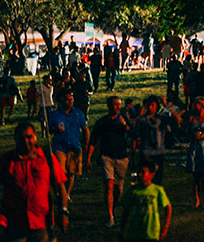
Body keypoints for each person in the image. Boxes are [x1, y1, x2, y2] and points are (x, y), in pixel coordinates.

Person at [0, 122, 68, 242]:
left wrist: (63, 212)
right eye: (21, 138)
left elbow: (60, 186)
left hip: (42, 223)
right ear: (15, 139)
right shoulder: (7, 160)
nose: (26, 141)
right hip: (13, 224)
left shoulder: (47, 158)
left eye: (29, 137)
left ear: (35, 137)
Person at [88, 95, 134, 226]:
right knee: (109, 184)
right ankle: (110, 216)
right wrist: (88, 157)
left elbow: (133, 133)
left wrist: (125, 126)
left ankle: (113, 209)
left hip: (121, 156)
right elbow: (93, 140)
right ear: (109, 106)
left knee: (119, 188)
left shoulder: (123, 119)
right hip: (106, 156)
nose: (118, 107)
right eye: (115, 104)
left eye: (119, 104)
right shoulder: (102, 122)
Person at [119, 158, 172, 242]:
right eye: (138, 172)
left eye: (143, 172)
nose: (139, 175)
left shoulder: (157, 190)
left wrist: (164, 229)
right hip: (133, 235)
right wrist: (121, 230)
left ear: (151, 175)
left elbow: (168, 208)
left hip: (150, 235)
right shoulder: (132, 191)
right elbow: (126, 211)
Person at [134, 95, 179, 184]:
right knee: (146, 178)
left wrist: (166, 105)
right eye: (149, 105)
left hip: (158, 151)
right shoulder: (142, 120)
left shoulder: (161, 117)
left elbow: (176, 119)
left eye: (153, 105)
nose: (151, 108)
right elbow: (135, 135)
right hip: (146, 151)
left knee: (158, 178)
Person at [48, 90, 89, 182]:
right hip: (60, 146)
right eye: (67, 99)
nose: (70, 101)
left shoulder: (78, 114)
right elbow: (49, 129)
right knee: (60, 172)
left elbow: (85, 129)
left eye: (71, 99)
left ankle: (67, 194)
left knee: (72, 172)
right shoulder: (55, 114)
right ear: (62, 101)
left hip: (74, 146)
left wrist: (86, 143)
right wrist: (56, 130)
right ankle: (60, 192)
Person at [184, 96, 204, 208]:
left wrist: (202, 136)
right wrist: (193, 135)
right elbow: (187, 133)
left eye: (196, 104)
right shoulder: (192, 118)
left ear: (201, 105)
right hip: (194, 146)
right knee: (195, 175)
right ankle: (196, 200)